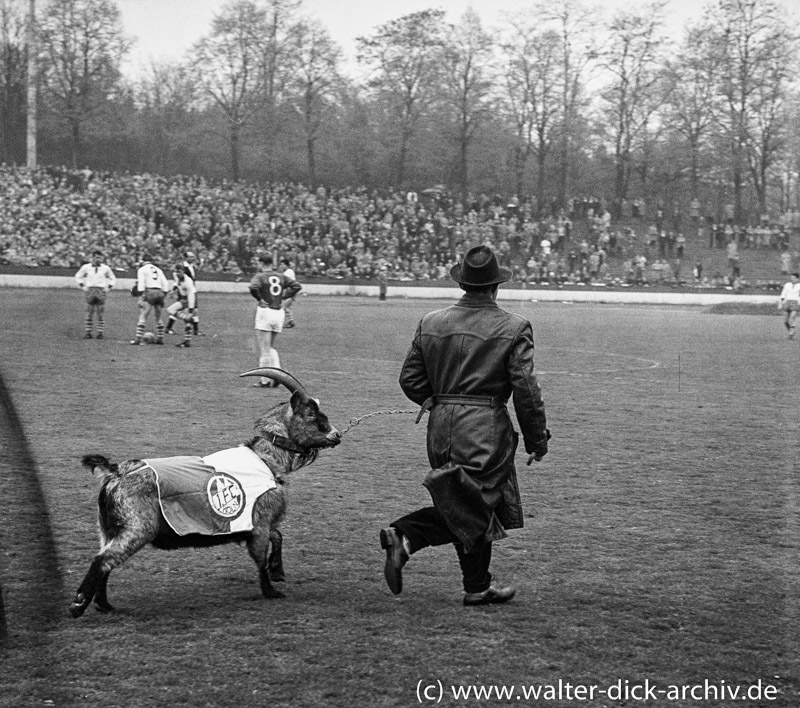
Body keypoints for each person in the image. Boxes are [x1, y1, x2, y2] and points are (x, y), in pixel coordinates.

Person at [380, 244, 550, 606]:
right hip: (484, 426)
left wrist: (434, 399)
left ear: (464, 284)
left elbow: (410, 378)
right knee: (475, 504)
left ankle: (477, 586)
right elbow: (526, 390)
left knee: (466, 498)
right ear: (495, 287)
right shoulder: (514, 326)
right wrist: (537, 439)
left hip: (441, 426)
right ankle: (406, 536)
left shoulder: (432, 321)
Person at [248, 254, 302, 387]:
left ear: (261, 263)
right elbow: (296, 286)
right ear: (272, 263)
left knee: (264, 349)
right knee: (270, 347)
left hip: (265, 312)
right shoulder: (281, 276)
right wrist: (284, 296)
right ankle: (278, 375)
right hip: (278, 312)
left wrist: (260, 299)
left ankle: (264, 381)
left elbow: (253, 287)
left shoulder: (260, 276)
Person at [74, 250, 116, 339]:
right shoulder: (86, 267)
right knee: (89, 311)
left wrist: (108, 287)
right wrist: (83, 286)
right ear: (92, 258)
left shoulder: (105, 268)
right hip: (90, 290)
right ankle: (88, 332)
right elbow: (78, 276)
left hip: (100, 290)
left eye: (100, 257)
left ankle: (100, 333)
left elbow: (112, 278)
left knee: (100, 312)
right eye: (97, 257)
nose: (99, 259)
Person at [130, 255, 169, 345]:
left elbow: (141, 283)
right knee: (158, 317)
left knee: (143, 315)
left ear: (143, 261)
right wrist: (164, 296)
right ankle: (160, 338)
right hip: (159, 292)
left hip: (150, 292)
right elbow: (166, 284)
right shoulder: (158, 269)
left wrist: (140, 298)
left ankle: (137, 339)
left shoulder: (142, 269)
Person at [164, 262, 197, 347]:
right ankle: (187, 318)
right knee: (170, 310)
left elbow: (191, 296)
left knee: (187, 322)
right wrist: (173, 291)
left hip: (190, 300)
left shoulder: (188, 281)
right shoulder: (176, 275)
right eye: (177, 271)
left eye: (180, 271)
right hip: (183, 299)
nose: (178, 273)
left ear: (183, 271)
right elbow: (176, 283)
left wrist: (190, 310)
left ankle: (187, 341)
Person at [778, 272, 800, 339]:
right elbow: (783, 294)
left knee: (792, 317)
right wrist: (781, 303)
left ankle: (791, 332)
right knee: (785, 321)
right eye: (791, 278)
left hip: (795, 302)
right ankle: (791, 331)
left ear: (797, 279)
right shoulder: (787, 285)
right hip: (787, 302)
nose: (792, 279)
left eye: (793, 278)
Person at [279, 258, 298, 328]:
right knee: (286, 307)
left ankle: (290, 321)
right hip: (290, 291)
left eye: (282, 264)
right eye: (280, 264)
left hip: (291, 292)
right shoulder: (287, 272)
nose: (281, 266)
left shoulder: (288, 272)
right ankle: (290, 321)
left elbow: (286, 283)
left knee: (283, 307)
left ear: (286, 265)